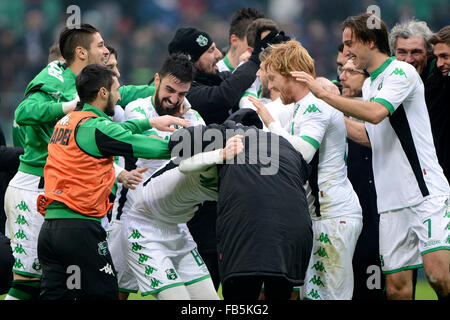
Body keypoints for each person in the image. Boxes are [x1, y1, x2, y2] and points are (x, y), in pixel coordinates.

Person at [293, 13, 450, 300]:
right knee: (397, 290)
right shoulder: (368, 85)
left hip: (425, 192)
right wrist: (327, 110)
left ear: (368, 41)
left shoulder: (402, 72)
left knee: (439, 277)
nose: (346, 51)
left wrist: (325, 96)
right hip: (390, 201)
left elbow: (376, 114)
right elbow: (369, 136)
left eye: (350, 43)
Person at [36, 64, 188, 300]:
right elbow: (141, 145)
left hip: (51, 229)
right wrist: (190, 145)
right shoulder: (95, 128)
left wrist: (149, 122)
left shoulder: (67, 122)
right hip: (80, 229)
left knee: (57, 296)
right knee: (105, 294)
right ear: (103, 92)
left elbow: (113, 129)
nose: (119, 96)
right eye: (117, 90)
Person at [250, 40, 363, 300]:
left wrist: (270, 123)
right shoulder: (301, 105)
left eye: (274, 78)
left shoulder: (316, 104)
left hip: (334, 215)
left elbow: (302, 153)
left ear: (291, 73)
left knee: (328, 297)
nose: (272, 86)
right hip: (319, 215)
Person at [166, 116, 313, 300]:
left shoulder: (229, 132)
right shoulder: (283, 143)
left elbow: (178, 141)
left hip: (247, 229)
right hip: (296, 231)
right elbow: (304, 173)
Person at [108, 53, 205, 299]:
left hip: (174, 221)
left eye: (181, 94)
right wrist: (120, 174)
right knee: (116, 293)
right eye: (169, 90)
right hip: (129, 216)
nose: (173, 100)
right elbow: (114, 146)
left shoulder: (193, 119)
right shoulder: (135, 111)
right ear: (156, 80)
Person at [122, 134, 245, 300]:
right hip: (143, 229)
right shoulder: (209, 161)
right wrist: (222, 154)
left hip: (177, 228)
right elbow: (185, 165)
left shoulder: (245, 173)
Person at [339, 58, 385, 300]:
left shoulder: (380, 108)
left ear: (367, 77)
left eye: (350, 72)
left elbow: (369, 137)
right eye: (341, 70)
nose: (342, 77)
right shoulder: (336, 104)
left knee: (372, 284)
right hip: (344, 211)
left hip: (374, 209)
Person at [389, 20, 449, 182]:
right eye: (402, 52)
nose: (408, 59)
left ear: (428, 54)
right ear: (393, 54)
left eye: (416, 52)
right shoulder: (385, 84)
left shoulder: (440, 79)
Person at [216, 7, 265, 72]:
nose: (260, 47)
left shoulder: (264, 76)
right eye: (254, 40)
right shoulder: (214, 74)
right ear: (234, 40)